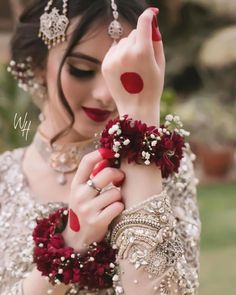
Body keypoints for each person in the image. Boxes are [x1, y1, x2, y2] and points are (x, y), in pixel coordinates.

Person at [0, 0, 201, 294]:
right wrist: (70, 245)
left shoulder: (163, 168)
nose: (105, 95)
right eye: (82, 70)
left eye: (117, 74)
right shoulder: (4, 179)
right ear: (39, 66)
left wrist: (140, 118)